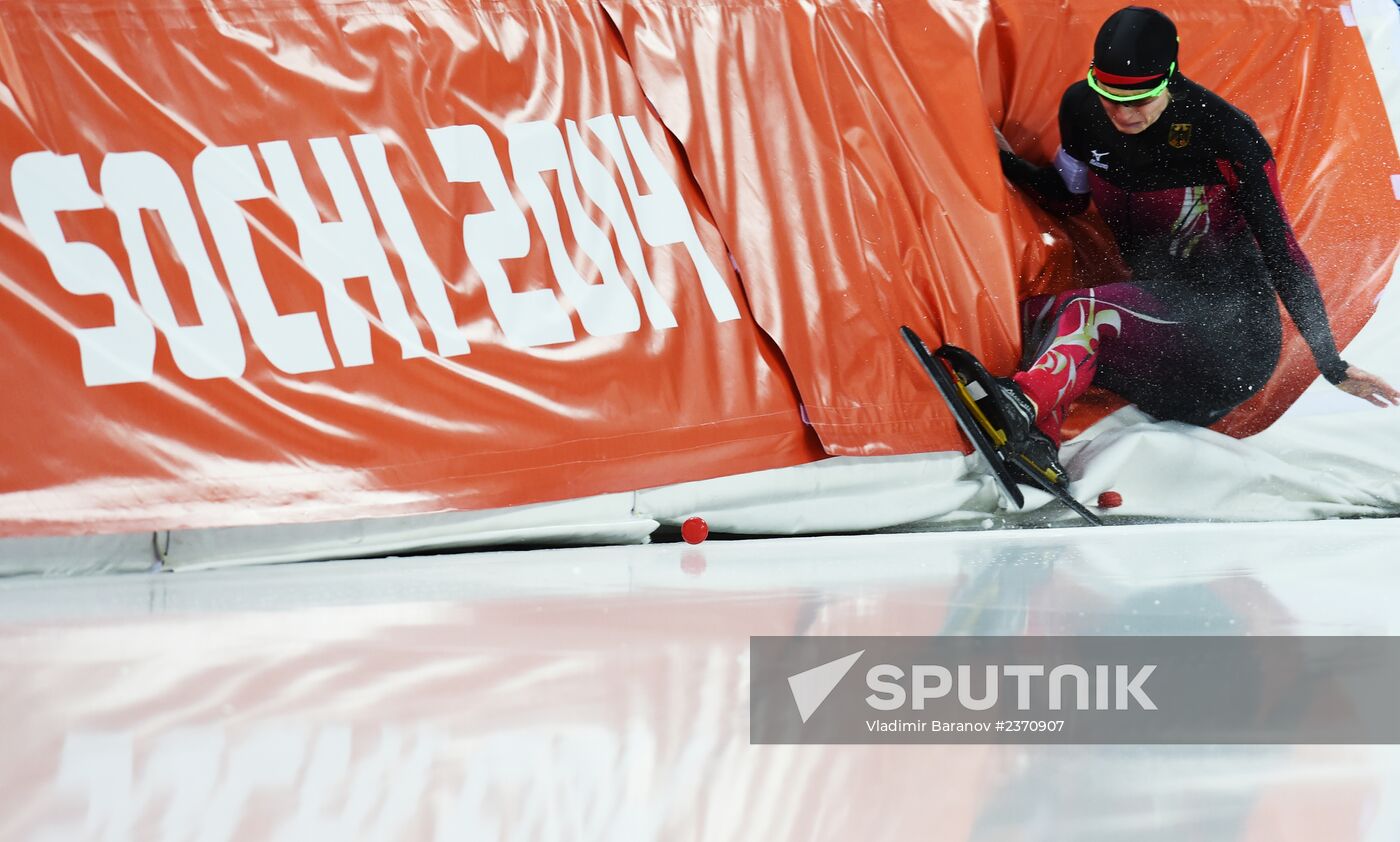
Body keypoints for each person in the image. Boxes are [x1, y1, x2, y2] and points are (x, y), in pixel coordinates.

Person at [982, 5, 1397, 480]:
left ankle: (1025, 405)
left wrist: (1332, 364)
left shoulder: (1225, 132)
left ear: (1170, 79)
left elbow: (1282, 252)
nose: (1123, 113)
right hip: (1160, 327)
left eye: (1140, 99)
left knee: (1087, 311)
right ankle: (1037, 445)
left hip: (1231, 340)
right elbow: (1069, 200)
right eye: (1110, 96)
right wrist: (1003, 160)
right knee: (1035, 318)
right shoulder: (1080, 108)